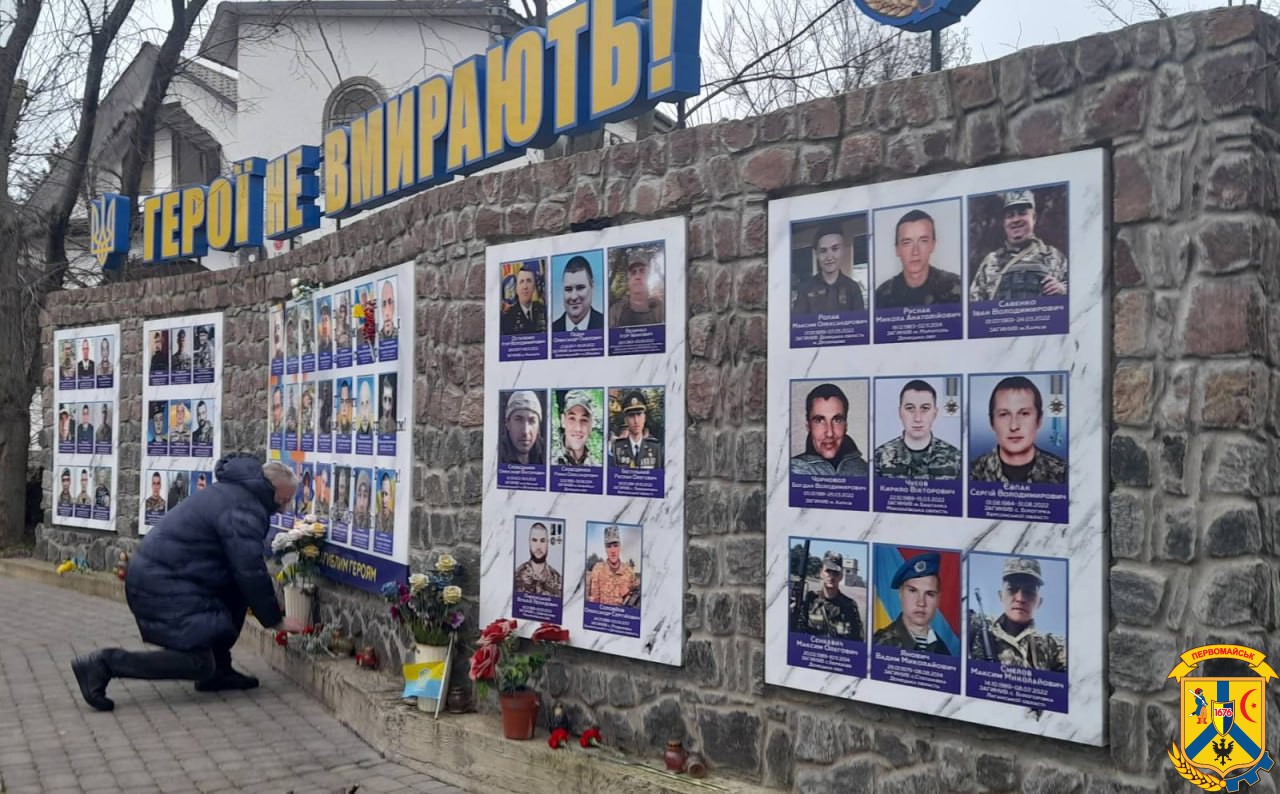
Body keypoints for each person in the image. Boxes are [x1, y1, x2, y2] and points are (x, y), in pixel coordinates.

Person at [71, 456, 293, 712]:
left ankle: (220, 672)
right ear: (272, 487)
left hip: (172, 577)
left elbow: (240, 572)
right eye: (284, 500)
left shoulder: (237, 492)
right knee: (198, 664)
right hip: (162, 584)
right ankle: (102, 664)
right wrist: (275, 620)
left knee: (234, 593)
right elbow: (250, 569)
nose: (284, 509)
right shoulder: (244, 507)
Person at [968, 557, 1066, 671]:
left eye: (1029, 592)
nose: (1020, 598)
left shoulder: (1053, 646)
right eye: (1012, 589)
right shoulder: (978, 626)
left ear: (1039, 602)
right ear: (1000, 596)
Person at [969, 190, 1069, 301]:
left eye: (1022, 213)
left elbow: (1078, 296)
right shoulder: (990, 261)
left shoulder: (1054, 257)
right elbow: (974, 305)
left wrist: (1062, 290)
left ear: (1034, 218)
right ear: (1004, 222)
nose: (1016, 220)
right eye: (1010, 215)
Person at [971, 376, 1067, 484]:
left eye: (1024, 413)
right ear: (991, 421)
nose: (1014, 426)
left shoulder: (1063, 473)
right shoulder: (971, 473)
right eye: (1004, 414)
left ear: (1039, 419)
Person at [874, 209, 963, 309]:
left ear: (933, 245)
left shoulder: (956, 286)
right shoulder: (882, 295)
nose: (915, 252)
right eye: (907, 243)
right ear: (897, 249)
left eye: (923, 241)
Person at [873, 380, 961, 479]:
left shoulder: (956, 457)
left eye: (925, 408)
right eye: (910, 408)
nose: (917, 418)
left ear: (935, 413)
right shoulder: (879, 456)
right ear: (900, 412)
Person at [873, 552, 952, 654]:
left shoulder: (942, 649)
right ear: (900, 593)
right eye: (913, 591)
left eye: (929, 594)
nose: (921, 603)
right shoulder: (881, 644)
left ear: (938, 599)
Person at [790, 383, 867, 477]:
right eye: (819, 420)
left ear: (846, 425)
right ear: (808, 425)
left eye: (837, 420)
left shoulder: (865, 469)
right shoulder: (793, 469)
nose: (829, 433)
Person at [792, 223, 865, 314]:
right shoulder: (805, 288)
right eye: (823, 251)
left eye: (835, 249)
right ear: (816, 254)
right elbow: (799, 321)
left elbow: (859, 321)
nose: (829, 257)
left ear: (843, 250)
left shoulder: (853, 288)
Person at [790, 551, 863, 640]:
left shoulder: (850, 606)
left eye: (835, 572)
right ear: (821, 573)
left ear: (841, 576)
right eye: (828, 571)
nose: (831, 576)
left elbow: (858, 640)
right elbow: (797, 633)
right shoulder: (810, 600)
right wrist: (792, 614)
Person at [585, 525, 638, 606]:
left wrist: (628, 593)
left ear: (620, 547)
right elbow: (593, 602)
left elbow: (637, 599)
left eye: (615, 546)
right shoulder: (597, 569)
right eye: (609, 546)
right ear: (605, 549)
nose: (613, 551)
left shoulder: (629, 571)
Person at [609, 390, 662, 469]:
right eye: (631, 416)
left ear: (644, 418)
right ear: (626, 420)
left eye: (639, 414)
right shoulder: (617, 447)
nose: (636, 421)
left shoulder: (654, 447)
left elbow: (658, 474)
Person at [552, 256, 604, 331]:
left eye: (580, 288)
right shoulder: (552, 329)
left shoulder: (606, 324)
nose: (574, 297)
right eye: (568, 289)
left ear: (592, 286)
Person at [609, 257, 664, 327]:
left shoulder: (661, 308)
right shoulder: (615, 310)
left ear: (648, 276)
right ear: (628, 280)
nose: (637, 277)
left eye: (642, 271)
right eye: (633, 272)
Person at [514, 522, 562, 597]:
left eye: (542, 541)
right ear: (529, 542)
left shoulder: (558, 579)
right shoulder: (517, 576)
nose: (538, 546)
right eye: (534, 540)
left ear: (547, 543)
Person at [499, 390, 545, 465]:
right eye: (518, 420)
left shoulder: (547, 451)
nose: (525, 431)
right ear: (507, 423)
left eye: (532, 421)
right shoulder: (496, 453)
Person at [500, 265, 546, 335]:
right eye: (521, 281)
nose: (525, 287)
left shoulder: (543, 310)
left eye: (529, 281)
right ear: (516, 288)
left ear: (534, 287)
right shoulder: (507, 317)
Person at [554, 390, 597, 466]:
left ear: (591, 425)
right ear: (563, 420)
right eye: (572, 418)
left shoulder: (596, 467)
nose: (578, 428)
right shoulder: (546, 461)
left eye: (584, 420)